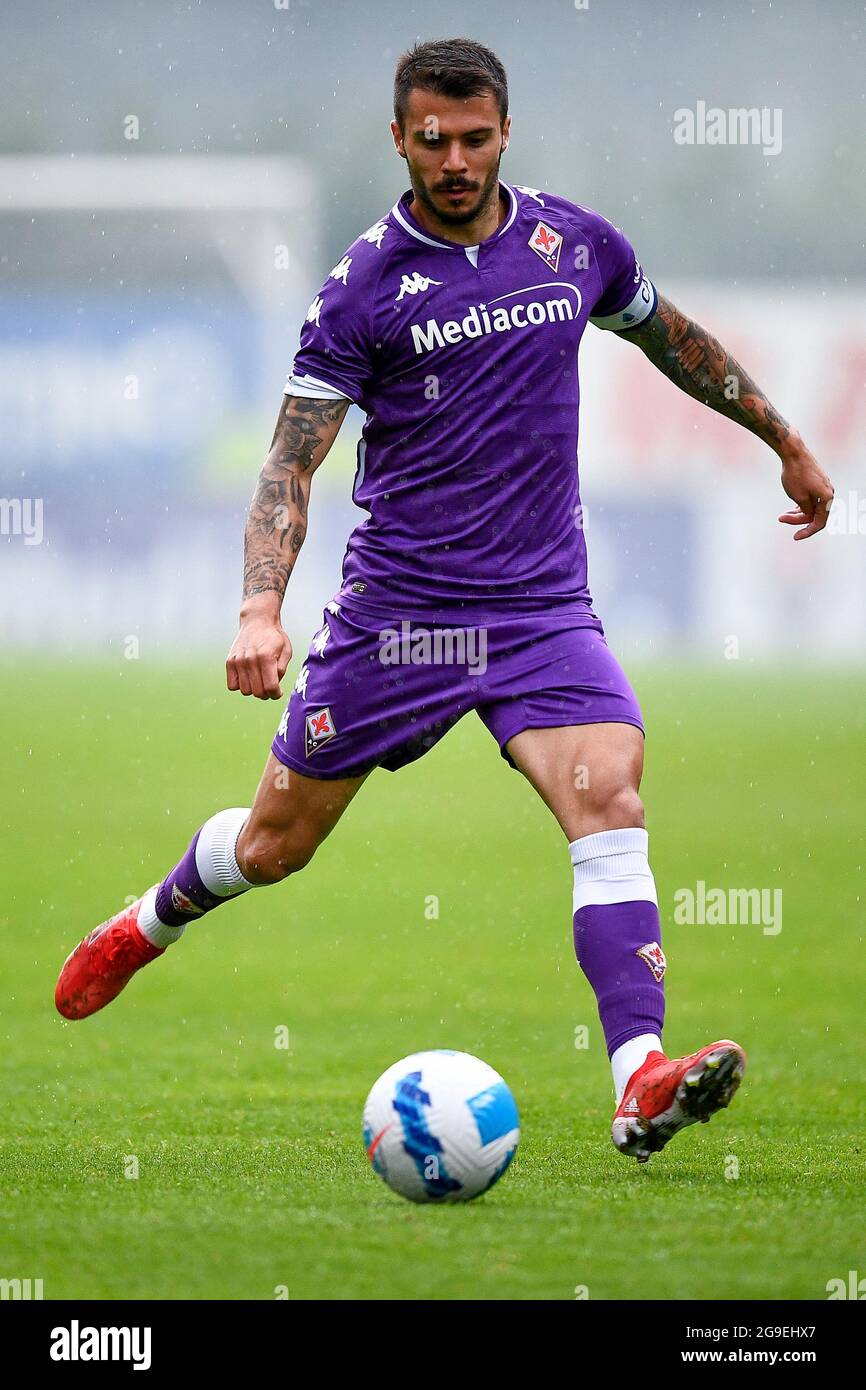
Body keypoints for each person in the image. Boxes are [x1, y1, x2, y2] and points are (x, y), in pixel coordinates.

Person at [55, 38, 834, 1164]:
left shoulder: (573, 243)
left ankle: (636, 1080)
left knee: (609, 801)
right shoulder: (363, 286)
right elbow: (288, 463)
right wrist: (258, 610)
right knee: (275, 845)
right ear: (398, 137)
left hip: (538, 610)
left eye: (474, 139)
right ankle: (146, 922)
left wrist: (784, 441)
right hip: (398, 620)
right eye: (432, 140)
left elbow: (673, 339)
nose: (455, 160)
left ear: (504, 131)